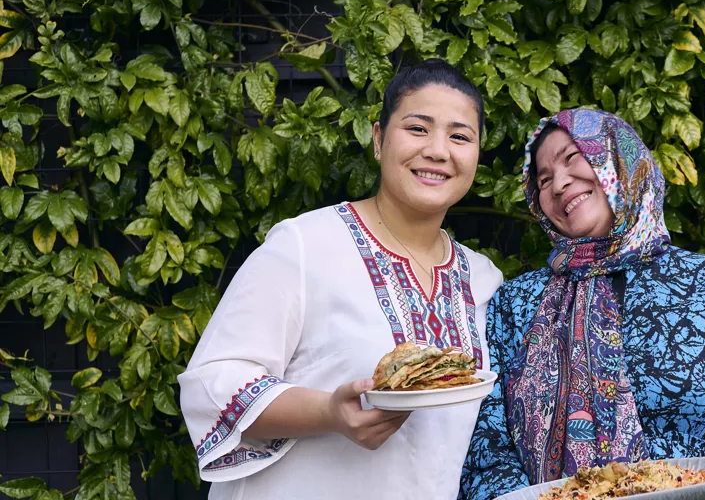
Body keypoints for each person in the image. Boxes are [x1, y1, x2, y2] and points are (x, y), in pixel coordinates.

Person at [178, 59, 502, 500]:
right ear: (378, 138)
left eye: (460, 136)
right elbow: (213, 383)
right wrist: (328, 412)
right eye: (418, 128)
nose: (439, 151)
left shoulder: (482, 279)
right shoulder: (306, 245)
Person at [460, 108, 705, 500]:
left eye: (573, 157)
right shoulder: (515, 304)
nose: (558, 184)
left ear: (619, 159)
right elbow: (487, 440)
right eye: (542, 180)